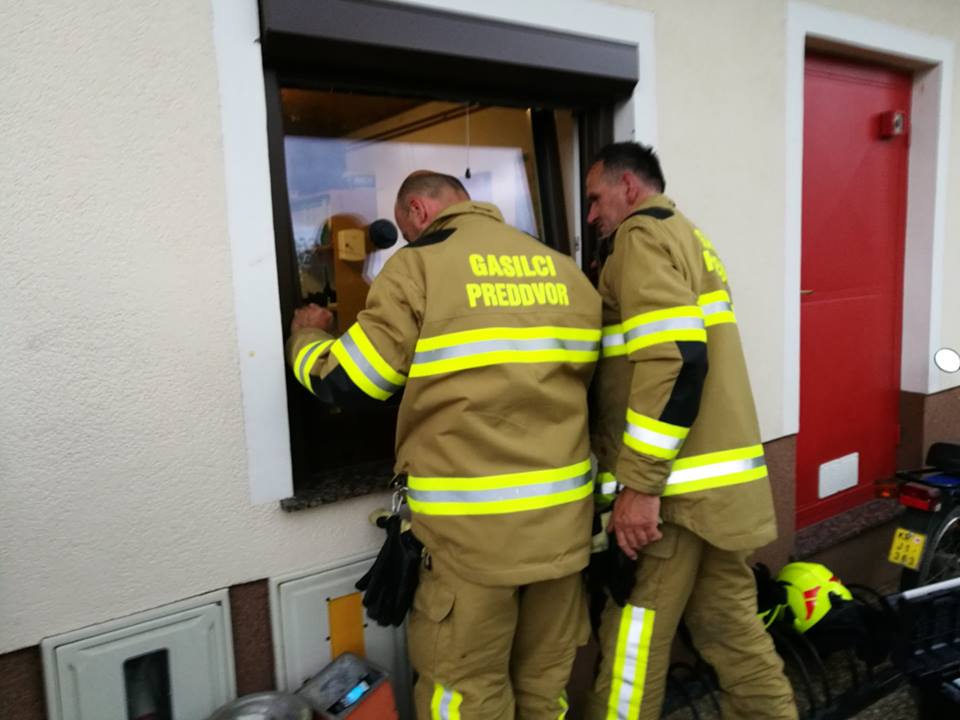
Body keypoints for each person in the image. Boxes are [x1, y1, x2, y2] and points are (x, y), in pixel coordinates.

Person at [287, 171, 602, 719]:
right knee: (543, 691)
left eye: (405, 227)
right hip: (562, 531)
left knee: (464, 694)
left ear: (417, 210)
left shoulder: (420, 265)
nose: (406, 238)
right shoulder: (563, 269)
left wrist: (306, 337)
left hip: (471, 541)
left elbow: (352, 381)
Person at [583, 143, 797, 720]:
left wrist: (640, 486)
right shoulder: (689, 236)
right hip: (717, 495)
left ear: (629, 188)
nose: (591, 215)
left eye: (596, 199)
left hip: (671, 499)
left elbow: (674, 358)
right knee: (732, 631)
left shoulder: (639, 238)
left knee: (632, 644)